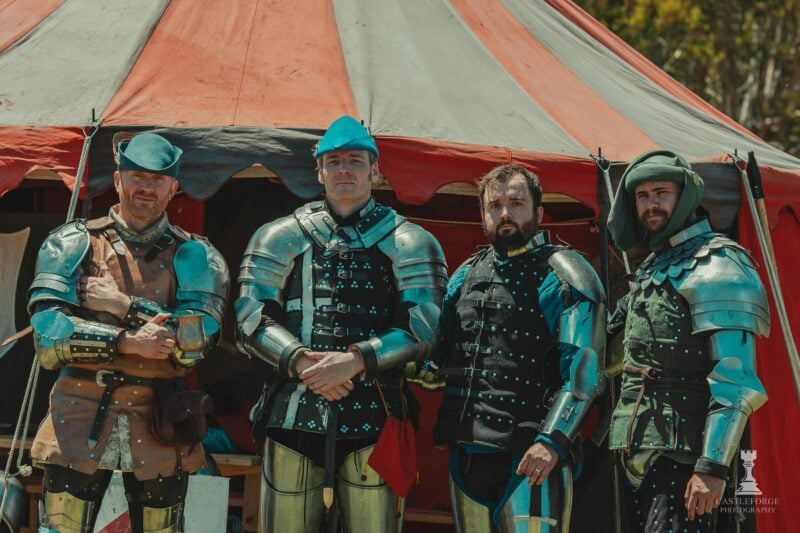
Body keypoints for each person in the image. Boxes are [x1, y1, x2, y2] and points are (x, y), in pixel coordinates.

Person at [235, 115, 447, 533]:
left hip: (377, 410)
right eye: (333, 161)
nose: (344, 169)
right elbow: (249, 317)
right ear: (319, 171)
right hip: (294, 408)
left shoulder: (409, 240)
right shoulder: (279, 236)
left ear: (375, 170)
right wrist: (300, 362)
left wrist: (355, 362)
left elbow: (425, 326)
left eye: (354, 160)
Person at [28, 133, 229, 532]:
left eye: (156, 180)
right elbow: (48, 340)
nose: (145, 187)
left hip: (160, 419)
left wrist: (123, 306)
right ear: (118, 180)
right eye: (136, 176)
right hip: (78, 412)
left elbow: (193, 345)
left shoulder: (196, 255)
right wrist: (126, 342)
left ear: (173, 188)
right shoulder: (73, 242)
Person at [432, 164, 607, 532]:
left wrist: (553, 441)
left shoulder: (564, 273)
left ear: (539, 213)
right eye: (494, 205)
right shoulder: (466, 273)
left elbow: (584, 374)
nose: (505, 213)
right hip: (467, 457)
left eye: (516, 202)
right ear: (483, 215)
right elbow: (439, 356)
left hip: (532, 456)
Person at [606, 150, 769, 532]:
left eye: (661, 192)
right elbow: (616, 359)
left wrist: (712, 467)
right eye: (642, 196)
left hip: (688, 461)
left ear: (685, 196)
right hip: (637, 454)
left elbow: (737, 378)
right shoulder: (652, 267)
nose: (651, 204)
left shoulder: (719, 262)